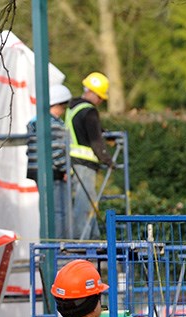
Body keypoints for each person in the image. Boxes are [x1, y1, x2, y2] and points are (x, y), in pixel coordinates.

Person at [65, 72, 115, 241]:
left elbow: (84, 130)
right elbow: (95, 141)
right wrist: (107, 160)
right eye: (100, 97)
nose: (100, 101)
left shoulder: (73, 108)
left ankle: (93, 237)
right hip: (84, 163)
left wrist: (104, 133)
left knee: (87, 201)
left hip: (72, 162)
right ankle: (84, 240)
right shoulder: (90, 111)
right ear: (93, 93)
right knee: (85, 203)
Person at [27, 83, 72, 239]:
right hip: (53, 172)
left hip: (36, 170)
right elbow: (56, 150)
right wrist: (65, 169)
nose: (63, 111)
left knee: (45, 210)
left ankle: (46, 243)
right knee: (58, 211)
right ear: (57, 105)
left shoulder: (35, 121)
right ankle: (57, 245)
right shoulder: (53, 124)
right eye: (63, 107)